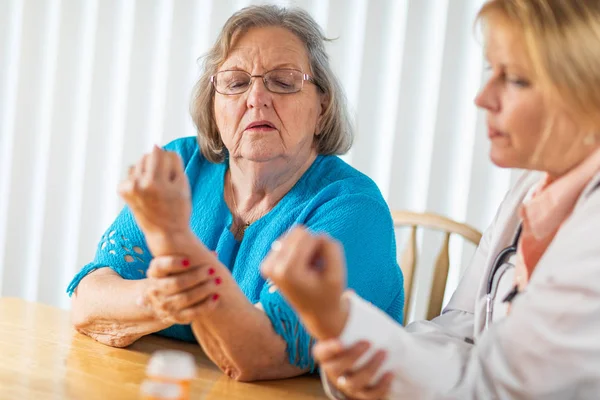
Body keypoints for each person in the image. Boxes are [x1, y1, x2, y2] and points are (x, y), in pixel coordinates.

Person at [262, 0, 600, 398]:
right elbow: (461, 329)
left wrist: (337, 319)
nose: (482, 97)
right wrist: (361, 358)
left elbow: (499, 388)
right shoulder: (531, 191)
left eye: (517, 80)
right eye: (493, 70)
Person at [67, 5, 404, 383]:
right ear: (214, 104)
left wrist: (176, 258)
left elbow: (264, 355)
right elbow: (89, 301)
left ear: (322, 106)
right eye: (236, 82)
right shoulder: (183, 165)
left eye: (284, 80)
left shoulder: (352, 208)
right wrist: (160, 298)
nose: (256, 97)